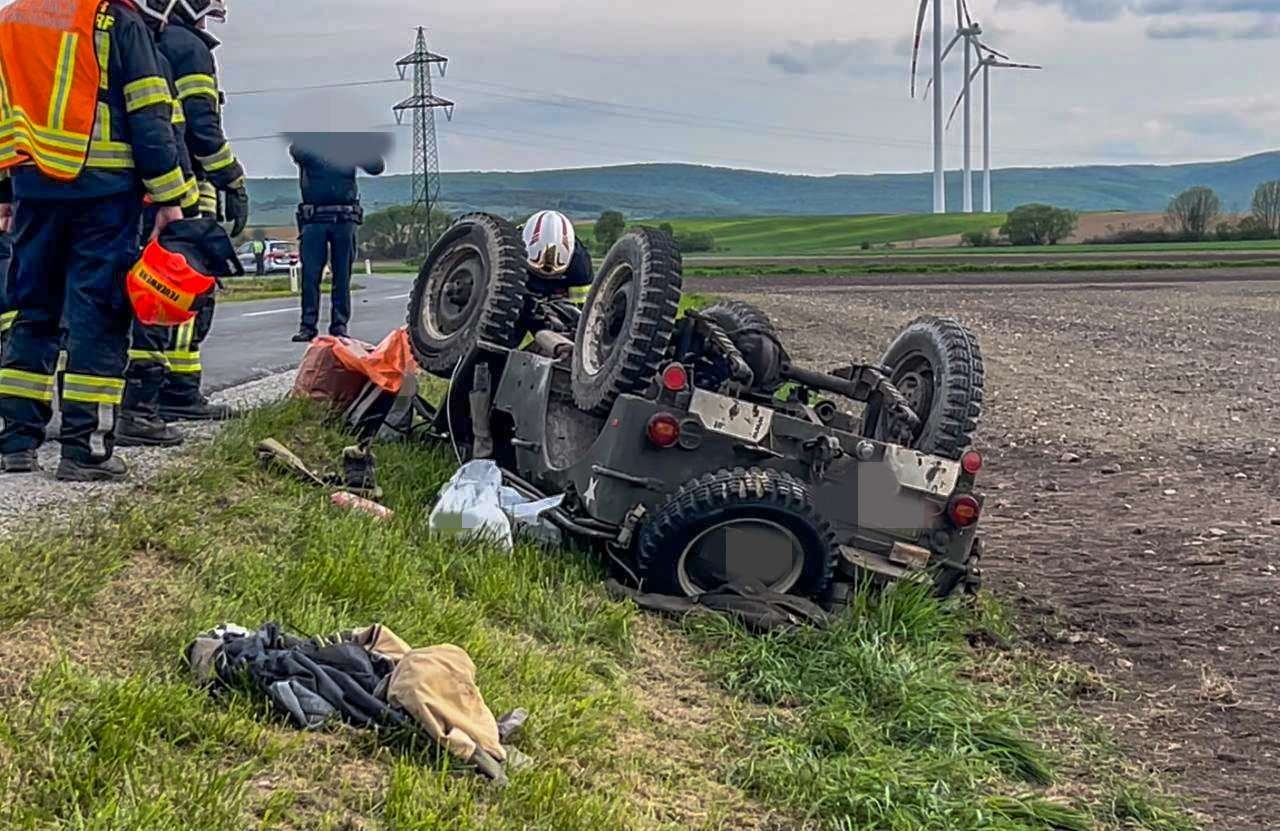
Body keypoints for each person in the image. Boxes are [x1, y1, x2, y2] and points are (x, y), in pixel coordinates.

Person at [0, 0, 191, 480]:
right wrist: (169, 197)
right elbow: (150, 114)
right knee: (98, 315)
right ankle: (84, 448)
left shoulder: (12, 20)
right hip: (104, 191)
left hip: (32, 187)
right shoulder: (114, 19)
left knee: (33, 310)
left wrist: (5, 190)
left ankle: (15, 443)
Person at [148, 0, 246, 422]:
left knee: (147, 286)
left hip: (142, 185)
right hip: (187, 187)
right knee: (190, 283)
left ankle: (145, 388)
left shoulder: (138, 39)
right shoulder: (189, 47)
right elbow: (203, 128)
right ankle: (180, 390)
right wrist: (233, 178)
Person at [289, 139, 385, 342]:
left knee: (342, 277)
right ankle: (308, 326)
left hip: (344, 218)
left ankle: (339, 326)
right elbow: (297, 152)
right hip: (314, 219)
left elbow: (376, 167)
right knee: (310, 277)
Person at [520, 210, 594, 333]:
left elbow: (582, 310)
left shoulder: (581, 267)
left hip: (557, 301)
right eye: (538, 273)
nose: (545, 278)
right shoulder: (510, 251)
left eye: (555, 275)